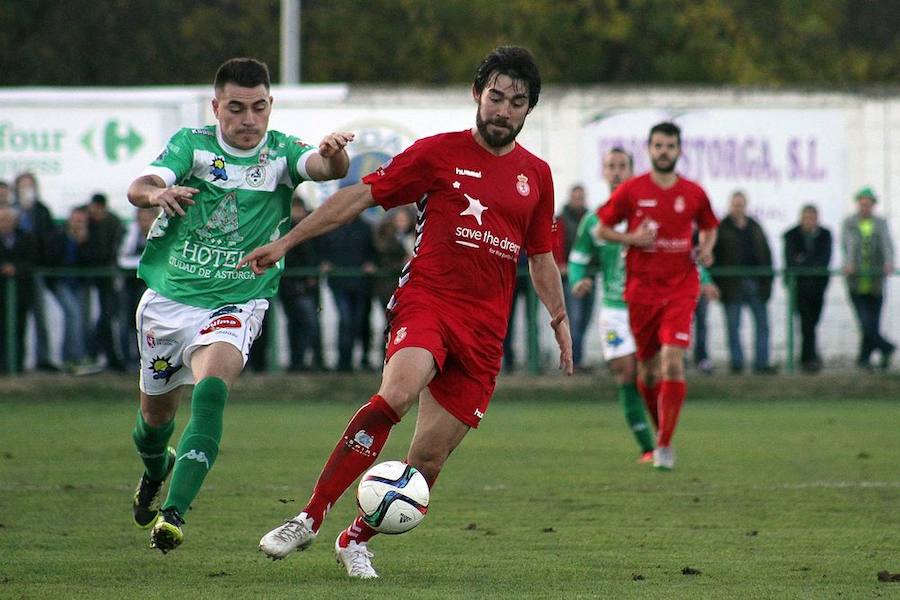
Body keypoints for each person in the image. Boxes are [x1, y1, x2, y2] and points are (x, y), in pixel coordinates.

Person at [239, 46, 572, 579]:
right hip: (430, 302)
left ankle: (356, 539)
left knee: (429, 462)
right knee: (396, 393)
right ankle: (309, 517)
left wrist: (558, 318)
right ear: (477, 95)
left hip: (484, 332)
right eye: (495, 96)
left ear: (528, 110)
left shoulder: (537, 175)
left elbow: (540, 257)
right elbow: (357, 199)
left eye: (516, 102)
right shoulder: (436, 153)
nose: (503, 110)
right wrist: (287, 243)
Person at [125, 57, 353, 553]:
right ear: (216, 107)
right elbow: (139, 186)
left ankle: (174, 513)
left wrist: (334, 156)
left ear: (270, 106)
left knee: (211, 391)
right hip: (169, 302)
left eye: (258, 108)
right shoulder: (193, 145)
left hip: (237, 299)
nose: (248, 120)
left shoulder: (281, 153)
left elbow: (322, 167)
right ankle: (155, 468)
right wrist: (157, 193)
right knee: (154, 424)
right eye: (236, 108)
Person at [597, 121, 718, 471]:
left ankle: (663, 445)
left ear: (679, 151)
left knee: (672, 359)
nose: (664, 151)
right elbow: (603, 228)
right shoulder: (632, 191)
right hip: (641, 291)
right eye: (658, 146)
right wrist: (632, 239)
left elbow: (710, 226)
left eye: (670, 146)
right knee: (647, 373)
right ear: (649, 150)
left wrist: (706, 249)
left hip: (681, 287)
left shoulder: (693, 192)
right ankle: (661, 428)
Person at [568, 148, 655, 462]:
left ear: (632, 171)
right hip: (614, 309)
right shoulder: (594, 220)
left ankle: (661, 432)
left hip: (647, 306)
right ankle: (648, 446)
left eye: (622, 166)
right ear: (603, 173)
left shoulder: (648, 215)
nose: (616, 172)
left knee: (648, 373)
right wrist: (578, 279)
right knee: (624, 372)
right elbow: (578, 258)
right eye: (610, 167)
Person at [712, 191, 776, 374]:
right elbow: (714, 256)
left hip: (756, 282)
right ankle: (737, 363)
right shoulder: (721, 228)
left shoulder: (755, 227)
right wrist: (719, 284)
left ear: (745, 206)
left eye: (740, 205)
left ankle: (761, 363)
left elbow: (766, 253)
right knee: (733, 326)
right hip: (732, 285)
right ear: (730, 206)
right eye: (735, 205)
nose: (738, 208)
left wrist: (767, 281)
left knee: (762, 325)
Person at [841, 187, 895, 370]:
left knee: (872, 323)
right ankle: (887, 348)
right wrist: (848, 264)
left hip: (875, 282)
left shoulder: (880, 223)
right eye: (862, 203)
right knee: (865, 323)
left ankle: (863, 360)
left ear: (872, 205)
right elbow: (847, 245)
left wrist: (888, 262)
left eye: (868, 204)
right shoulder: (849, 223)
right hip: (856, 282)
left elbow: (887, 244)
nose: (865, 207)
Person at [317, 213, 377, 372]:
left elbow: (373, 251)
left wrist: (370, 263)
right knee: (346, 320)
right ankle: (344, 362)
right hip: (340, 282)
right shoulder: (333, 227)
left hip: (360, 283)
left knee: (357, 322)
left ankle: (357, 360)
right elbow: (321, 249)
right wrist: (324, 262)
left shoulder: (365, 227)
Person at [12, 172, 58, 371]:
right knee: (15, 318)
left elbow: (48, 238)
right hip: (15, 275)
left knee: (41, 317)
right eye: (23, 185)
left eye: (30, 185)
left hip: (36, 270)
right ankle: (14, 360)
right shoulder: (12, 211)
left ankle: (44, 358)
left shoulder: (41, 211)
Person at [278, 194, 326, 372]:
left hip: (304, 286)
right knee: (306, 323)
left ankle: (304, 361)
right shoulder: (291, 231)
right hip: (296, 286)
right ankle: (302, 361)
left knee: (306, 324)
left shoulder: (306, 232)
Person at [46, 206, 97, 373]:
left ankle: (74, 356)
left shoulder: (89, 239)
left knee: (82, 319)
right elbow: (52, 258)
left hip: (80, 284)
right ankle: (75, 358)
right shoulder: (59, 236)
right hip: (62, 282)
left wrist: (82, 243)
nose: (78, 224)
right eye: (76, 220)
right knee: (73, 315)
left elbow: (91, 262)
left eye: (82, 221)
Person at [783, 204, 832, 373]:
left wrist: (803, 260)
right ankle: (809, 359)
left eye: (812, 218)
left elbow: (824, 260)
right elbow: (791, 262)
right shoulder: (791, 235)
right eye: (806, 218)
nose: (810, 221)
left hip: (818, 288)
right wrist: (808, 262)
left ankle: (808, 357)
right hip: (800, 288)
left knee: (812, 323)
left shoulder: (825, 235)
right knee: (806, 324)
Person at [86, 192, 127, 371]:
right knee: (103, 318)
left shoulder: (113, 223)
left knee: (108, 317)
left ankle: (110, 357)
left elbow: (113, 251)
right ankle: (99, 355)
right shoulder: (88, 222)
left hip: (108, 280)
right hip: (92, 279)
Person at [558, 184, 594, 369]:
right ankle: (574, 360)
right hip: (569, 277)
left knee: (585, 319)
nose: (579, 200)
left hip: (589, 276)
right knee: (576, 318)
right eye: (576, 197)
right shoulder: (561, 220)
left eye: (581, 197)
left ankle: (576, 357)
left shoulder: (591, 219)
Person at [118, 207, 160, 365]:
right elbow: (122, 259)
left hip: (150, 285)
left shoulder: (162, 233)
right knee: (126, 320)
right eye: (141, 219)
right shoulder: (129, 233)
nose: (143, 223)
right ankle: (127, 359)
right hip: (129, 283)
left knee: (147, 324)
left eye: (147, 219)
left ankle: (146, 358)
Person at [0, 206, 37, 374]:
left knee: (19, 329)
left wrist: (16, 269)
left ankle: (17, 367)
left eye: (7, 219)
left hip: (20, 294)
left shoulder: (26, 238)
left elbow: (33, 262)